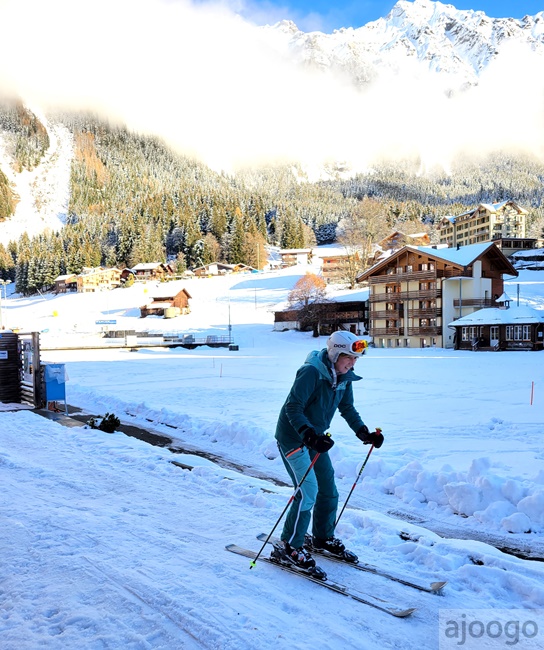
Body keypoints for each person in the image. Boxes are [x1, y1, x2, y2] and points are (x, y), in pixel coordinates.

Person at [271, 330, 384, 577]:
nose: (353, 362)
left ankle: (322, 538)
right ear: (335, 353)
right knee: (307, 491)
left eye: (356, 358)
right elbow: (293, 406)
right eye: (349, 357)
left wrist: (364, 433)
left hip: (316, 439)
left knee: (328, 490)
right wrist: (308, 434)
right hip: (293, 438)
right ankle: (289, 545)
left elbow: (347, 407)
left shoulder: (344, 377)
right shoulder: (310, 372)